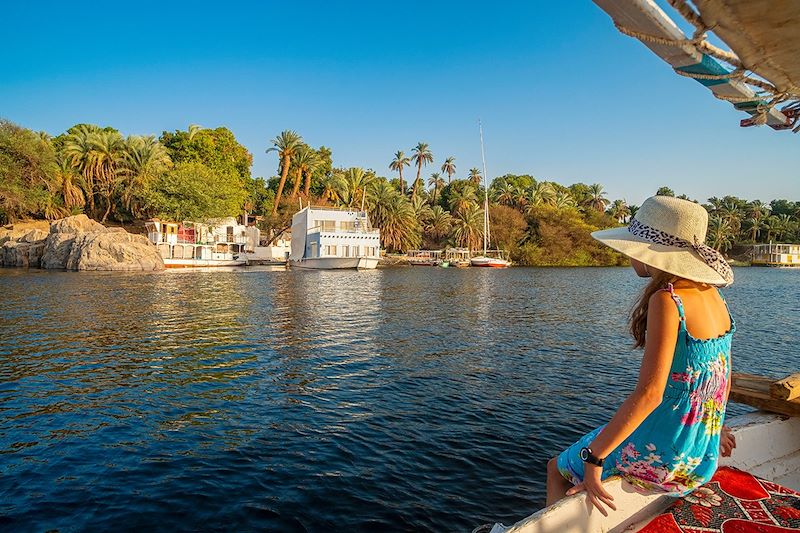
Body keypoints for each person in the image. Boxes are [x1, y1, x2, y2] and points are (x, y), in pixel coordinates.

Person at [546, 195, 738, 516]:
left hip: (667, 452)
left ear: (651, 253)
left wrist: (595, 460)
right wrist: (715, 428)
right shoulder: (712, 294)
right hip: (700, 453)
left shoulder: (668, 299)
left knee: (557, 468)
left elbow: (650, 395)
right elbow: (720, 376)